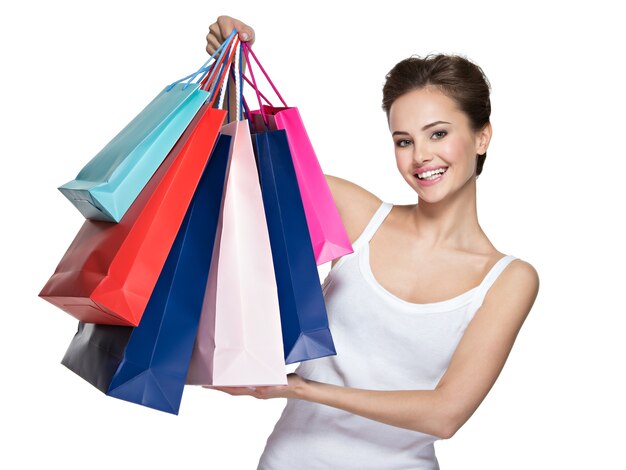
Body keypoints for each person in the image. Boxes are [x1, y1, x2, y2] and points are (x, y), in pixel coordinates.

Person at [205, 15, 540, 470]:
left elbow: (444, 414)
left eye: (438, 133)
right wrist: (232, 69)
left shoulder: (506, 280)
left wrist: (300, 388)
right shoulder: (359, 216)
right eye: (404, 141)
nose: (421, 156)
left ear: (481, 136)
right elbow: (245, 170)